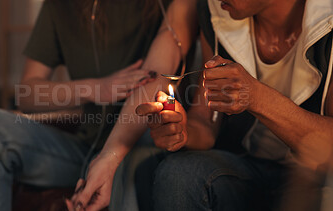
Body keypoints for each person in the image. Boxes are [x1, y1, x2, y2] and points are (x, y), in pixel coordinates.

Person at [0, 0, 198, 211]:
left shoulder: (171, 6)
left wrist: (110, 157)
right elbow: (28, 93)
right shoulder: (59, 7)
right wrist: (95, 88)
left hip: (136, 147)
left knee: (134, 162)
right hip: (81, 150)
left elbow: (154, 80)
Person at [136, 0, 333, 210]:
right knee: (178, 174)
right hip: (245, 167)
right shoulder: (218, 14)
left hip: (316, 180)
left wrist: (257, 97)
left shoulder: (327, 23)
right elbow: (206, 122)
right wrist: (183, 131)